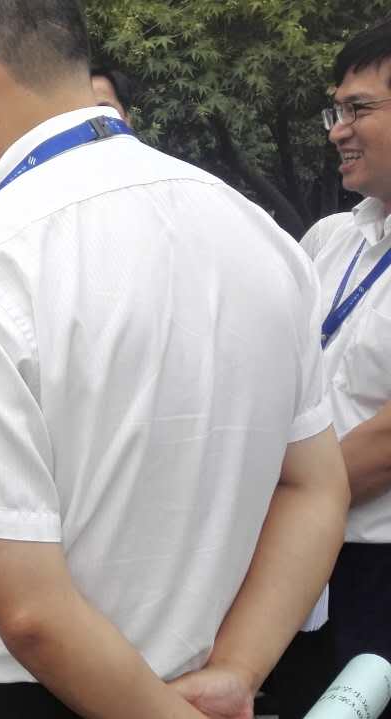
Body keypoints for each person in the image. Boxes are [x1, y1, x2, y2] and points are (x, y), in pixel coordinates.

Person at [0, 1, 351, 718]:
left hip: (34, 699)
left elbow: (31, 612)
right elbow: (315, 487)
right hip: (207, 685)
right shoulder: (259, 233)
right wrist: (237, 669)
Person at [300, 18, 391, 714]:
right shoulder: (334, 239)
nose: (338, 131)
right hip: (306, 552)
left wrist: (276, 502)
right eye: (336, 111)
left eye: (358, 109)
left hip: (377, 565)